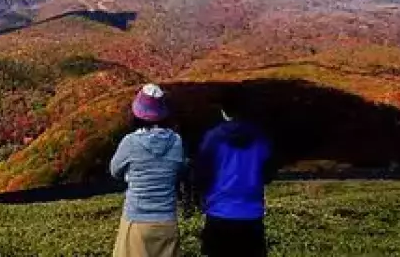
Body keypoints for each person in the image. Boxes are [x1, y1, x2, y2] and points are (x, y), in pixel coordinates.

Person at [110, 83, 191, 257]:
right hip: (167, 221)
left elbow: (114, 170)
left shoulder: (130, 142)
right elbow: (180, 170)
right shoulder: (176, 141)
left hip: (137, 221)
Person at [194, 85, 276, 257]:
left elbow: (202, 174)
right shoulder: (260, 138)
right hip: (251, 216)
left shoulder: (212, 138)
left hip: (219, 213)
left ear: (223, 110)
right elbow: (268, 174)